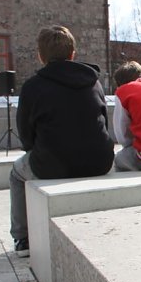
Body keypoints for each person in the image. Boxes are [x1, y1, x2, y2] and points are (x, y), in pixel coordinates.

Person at [10, 25, 114, 256]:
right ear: (72, 54)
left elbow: (26, 135)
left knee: (16, 174)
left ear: (40, 55)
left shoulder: (33, 86)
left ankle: (23, 239)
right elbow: (104, 124)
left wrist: (38, 151)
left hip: (53, 164)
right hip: (99, 162)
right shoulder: (94, 82)